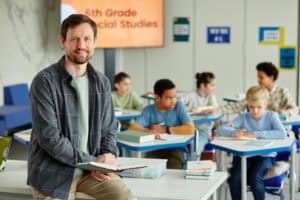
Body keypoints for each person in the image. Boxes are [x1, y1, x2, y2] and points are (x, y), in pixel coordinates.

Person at [28, 14, 133, 200]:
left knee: (124, 196)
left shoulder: (102, 82)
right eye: (74, 39)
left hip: (91, 171)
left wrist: (107, 156)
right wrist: (93, 162)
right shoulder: (44, 82)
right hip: (53, 171)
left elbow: (109, 128)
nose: (81, 44)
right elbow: (50, 139)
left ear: (94, 42)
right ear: (63, 41)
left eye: (87, 39)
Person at [216, 85, 287, 200]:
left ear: (266, 104)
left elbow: (282, 134)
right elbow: (222, 129)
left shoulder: (272, 116)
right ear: (247, 104)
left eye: (259, 107)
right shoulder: (243, 117)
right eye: (251, 107)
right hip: (245, 156)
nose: (255, 111)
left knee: (255, 178)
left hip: (265, 157)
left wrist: (255, 134)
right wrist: (234, 132)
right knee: (234, 179)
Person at [129, 79, 195, 169]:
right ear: (157, 97)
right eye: (169, 98)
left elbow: (190, 129)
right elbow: (133, 128)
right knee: (147, 169)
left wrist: (165, 129)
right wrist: (148, 131)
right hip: (155, 149)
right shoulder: (149, 110)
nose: (174, 101)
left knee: (171, 170)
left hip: (176, 150)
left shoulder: (179, 106)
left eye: (175, 97)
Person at [216, 62, 297, 115]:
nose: (258, 80)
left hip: (280, 130)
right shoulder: (257, 92)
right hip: (260, 130)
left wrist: (286, 112)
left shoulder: (282, 92)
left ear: (271, 78)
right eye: (258, 77)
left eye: (261, 77)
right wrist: (216, 110)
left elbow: (295, 110)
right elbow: (238, 106)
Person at [187, 72, 218, 160]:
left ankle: (193, 168)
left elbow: (215, 108)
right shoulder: (190, 96)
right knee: (184, 150)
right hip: (189, 130)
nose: (214, 88)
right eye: (211, 85)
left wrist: (200, 109)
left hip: (203, 132)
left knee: (195, 150)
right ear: (202, 85)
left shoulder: (211, 96)